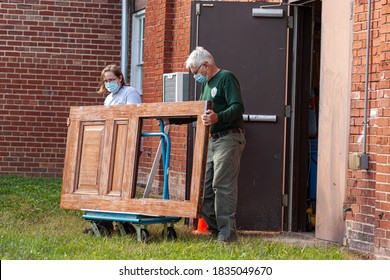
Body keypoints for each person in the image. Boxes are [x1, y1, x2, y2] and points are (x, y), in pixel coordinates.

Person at [185, 46, 246, 242]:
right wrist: (172, 119)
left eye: (195, 72)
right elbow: (200, 113)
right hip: (213, 140)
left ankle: (227, 236)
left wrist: (218, 117)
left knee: (222, 185)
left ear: (206, 65)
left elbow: (237, 107)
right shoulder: (206, 85)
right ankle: (214, 230)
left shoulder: (226, 78)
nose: (195, 76)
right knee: (206, 186)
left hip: (229, 138)